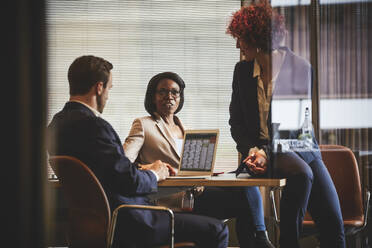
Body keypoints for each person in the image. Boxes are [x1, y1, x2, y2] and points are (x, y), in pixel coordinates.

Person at [46, 55, 229, 248]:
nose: (107, 95)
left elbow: (109, 172)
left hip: (91, 224)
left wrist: (142, 170)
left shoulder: (56, 125)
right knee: (217, 230)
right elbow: (128, 181)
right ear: (99, 88)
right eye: (109, 89)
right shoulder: (96, 127)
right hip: (131, 220)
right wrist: (154, 173)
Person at [226, 1, 346, 247]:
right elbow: (236, 123)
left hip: (298, 147)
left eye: (241, 38)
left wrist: (265, 152)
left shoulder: (299, 68)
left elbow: (292, 126)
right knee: (252, 225)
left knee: (334, 227)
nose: (237, 45)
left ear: (256, 37)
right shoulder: (242, 71)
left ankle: (287, 240)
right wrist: (252, 150)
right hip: (257, 152)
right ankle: (287, 241)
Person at [124, 71, 275, 248]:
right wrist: (149, 167)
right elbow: (124, 162)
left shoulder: (186, 128)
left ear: (180, 98)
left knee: (245, 187)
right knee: (244, 202)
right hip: (171, 198)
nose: (169, 96)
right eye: (163, 91)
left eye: (175, 92)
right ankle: (260, 240)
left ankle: (258, 239)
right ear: (152, 96)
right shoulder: (143, 124)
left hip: (197, 192)